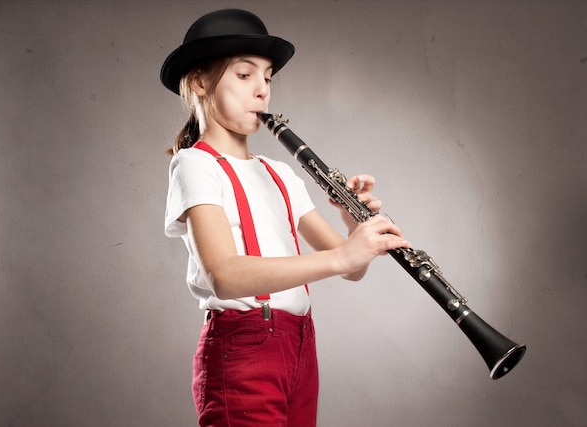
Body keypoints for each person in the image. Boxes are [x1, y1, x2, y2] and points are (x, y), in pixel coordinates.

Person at [160, 8, 410, 427]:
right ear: (200, 82)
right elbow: (225, 274)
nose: (262, 91)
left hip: (299, 346)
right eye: (244, 75)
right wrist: (345, 256)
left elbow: (351, 270)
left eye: (268, 77)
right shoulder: (194, 165)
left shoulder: (280, 172)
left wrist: (355, 228)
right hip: (243, 349)